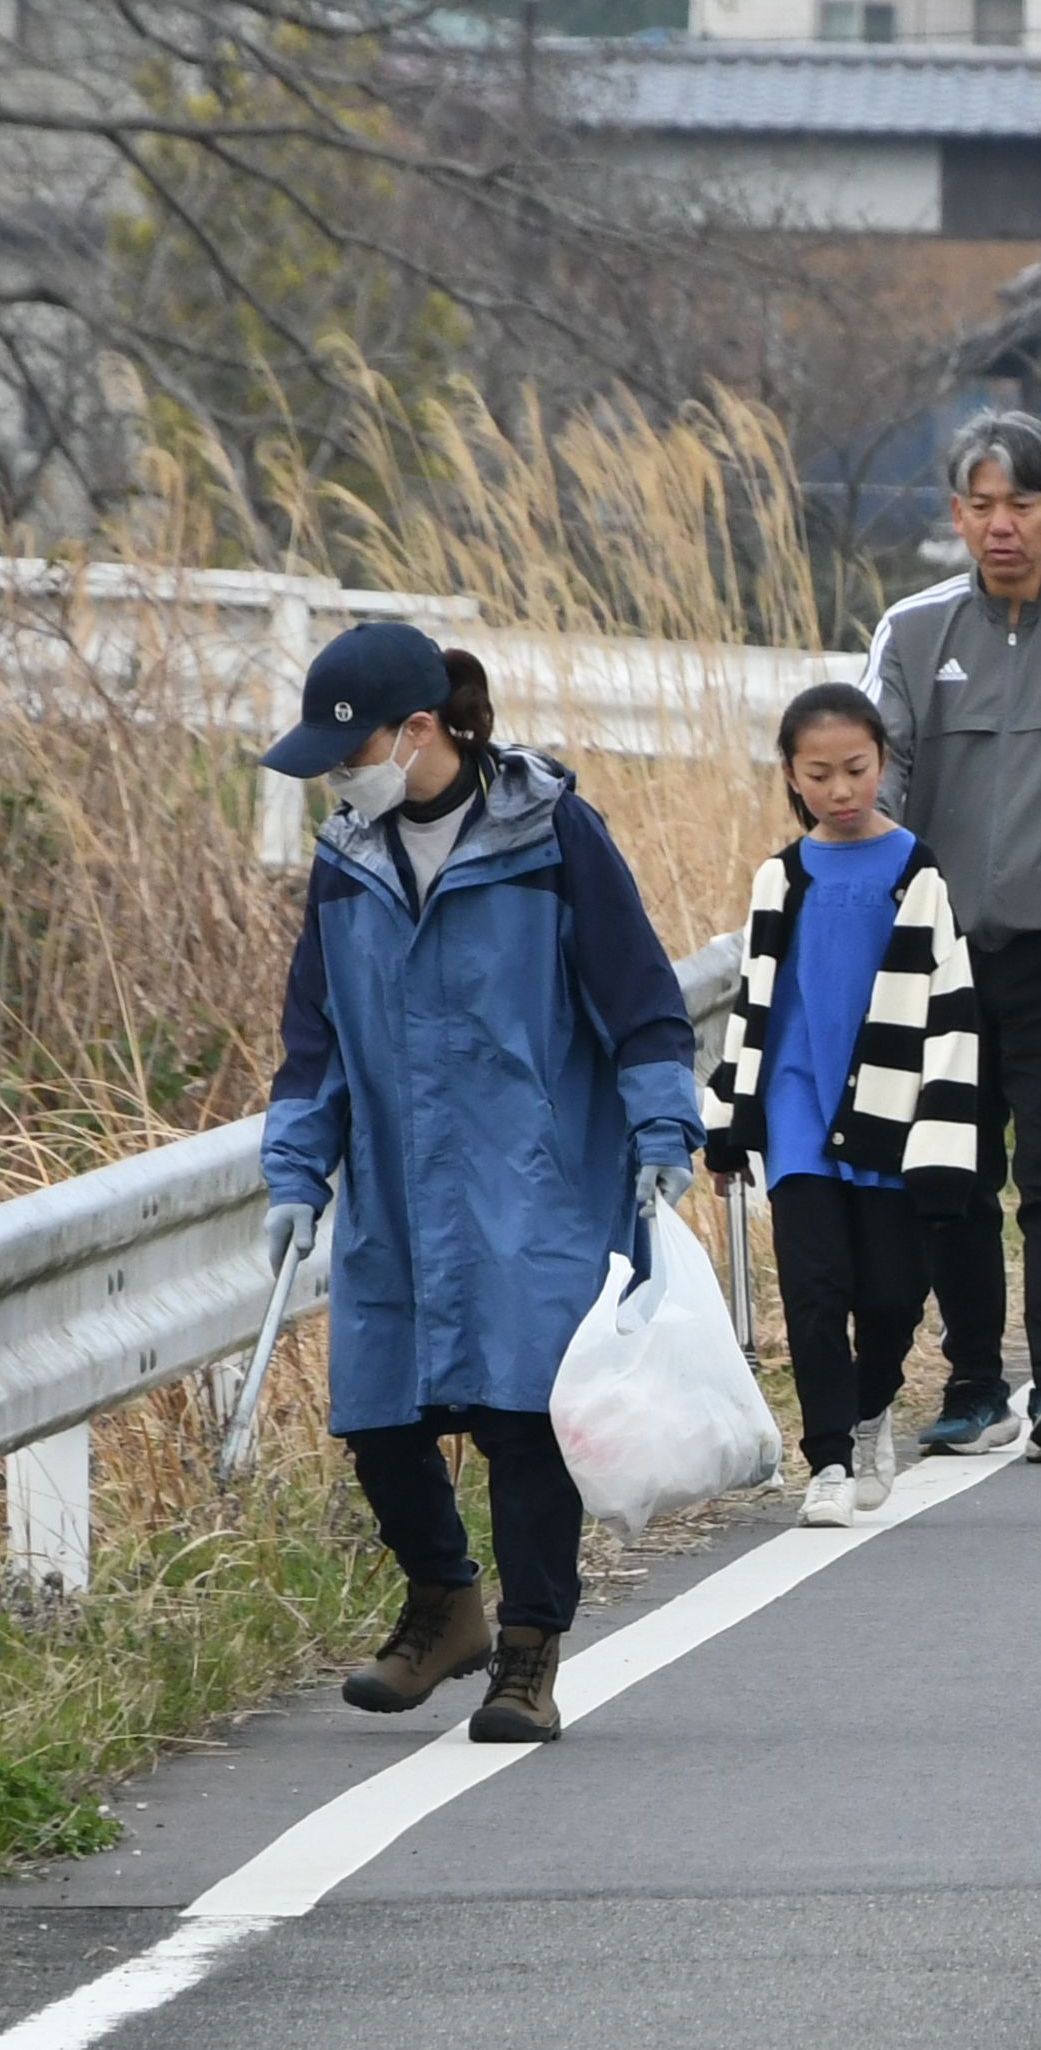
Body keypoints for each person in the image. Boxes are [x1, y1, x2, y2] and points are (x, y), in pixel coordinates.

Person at [259, 624, 699, 1749]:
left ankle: (529, 1655)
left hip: (533, 1177)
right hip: (399, 1186)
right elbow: (311, 1037)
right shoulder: (347, 858)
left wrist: (661, 1127)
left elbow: (640, 998)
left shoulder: (550, 836)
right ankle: (446, 1602)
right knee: (379, 1413)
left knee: (521, 1418)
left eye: (350, 751)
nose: (337, 776)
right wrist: (294, 1168)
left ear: (418, 731)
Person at [866, 408, 1041, 1461]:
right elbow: (876, 779)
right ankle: (975, 1376)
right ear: (955, 514)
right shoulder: (911, 631)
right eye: (981, 505)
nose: (1002, 525)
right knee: (945, 1170)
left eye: (1023, 504)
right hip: (939, 949)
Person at [698, 683, 983, 1525]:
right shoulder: (778, 876)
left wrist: (946, 1129)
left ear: (883, 763)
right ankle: (826, 1460)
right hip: (794, 1104)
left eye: (855, 769)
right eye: (818, 774)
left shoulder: (915, 868)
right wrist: (727, 1125)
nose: (840, 790)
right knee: (815, 1289)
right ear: (791, 774)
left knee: (892, 1294)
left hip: (891, 1105)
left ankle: (869, 1410)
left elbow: (949, 1000)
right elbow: (752, 1005)